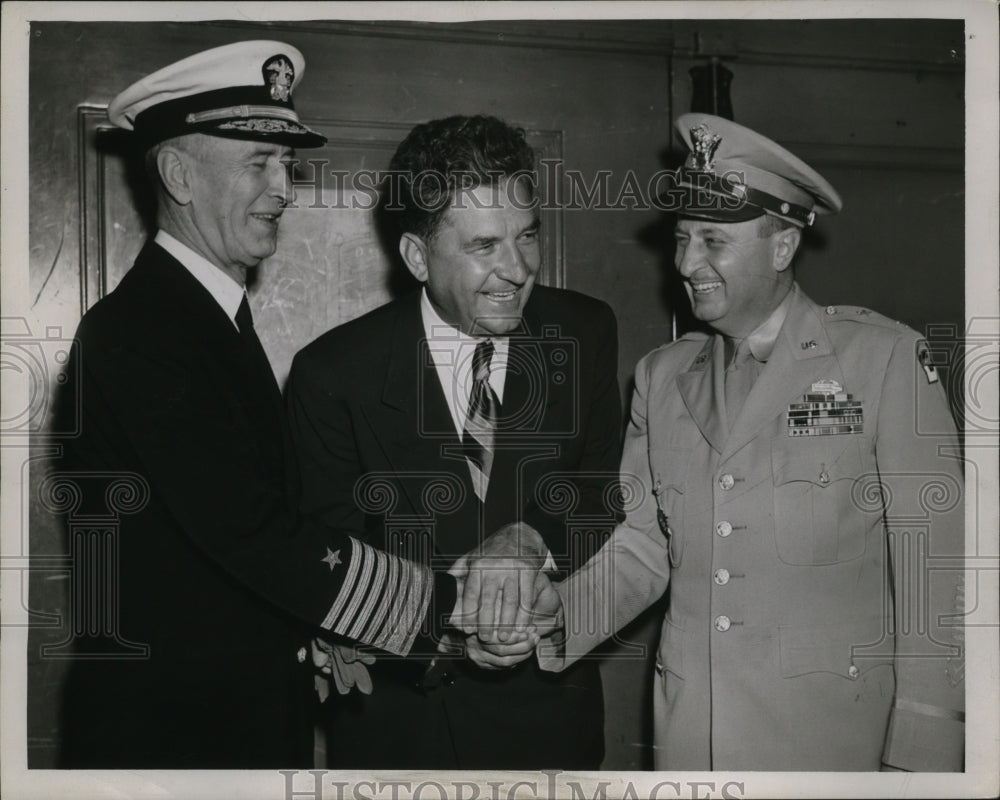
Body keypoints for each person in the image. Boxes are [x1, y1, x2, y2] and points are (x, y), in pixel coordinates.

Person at [55, 41, 500, 769]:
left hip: (218, 720)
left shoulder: (203, 318)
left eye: (285, 165)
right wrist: (446, 607)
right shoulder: (147, 331)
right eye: (257, 163)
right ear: (178, 174)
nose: (283, 188)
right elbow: (255, 535)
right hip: (174, 742)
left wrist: (328, 631)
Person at [540, 113, 965, 771]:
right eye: (682, 239)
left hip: (833, 750)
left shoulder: (882, 362)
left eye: (713, 240)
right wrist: (555, 616)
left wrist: (922, 755)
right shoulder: (660, 376)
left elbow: (934, 571)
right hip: (693, 745)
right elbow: (644, 549)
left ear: (783, 246)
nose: (686, 263)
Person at [285, 114, 623, 769]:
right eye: (484, 247)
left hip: (549, 729)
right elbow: (326, 553)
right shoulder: (333, 374)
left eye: (527, 236)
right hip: (402, 734)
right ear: (417, 256)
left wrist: (532, 545)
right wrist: (457, 622)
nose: (518, 269)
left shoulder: (585, 332)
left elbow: (600, 494)